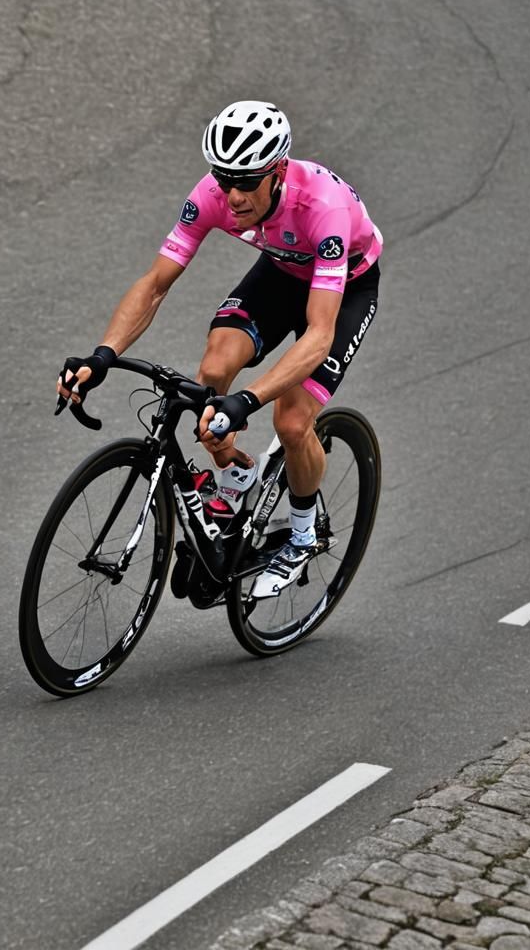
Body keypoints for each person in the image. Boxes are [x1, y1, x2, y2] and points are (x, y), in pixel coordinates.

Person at [56, 100, 382, 598]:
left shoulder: (323, 208)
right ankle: (236, 474)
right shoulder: (215, 195)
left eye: (246, 182)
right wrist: (102, 355)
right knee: (212, 371)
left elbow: (319, 335)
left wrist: (248, 400)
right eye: (222, 178)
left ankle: (300, 537)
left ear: (276, 173)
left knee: (292, 421)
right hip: (282, 271)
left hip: (344, 286)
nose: (232, 196)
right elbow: (155, 283)